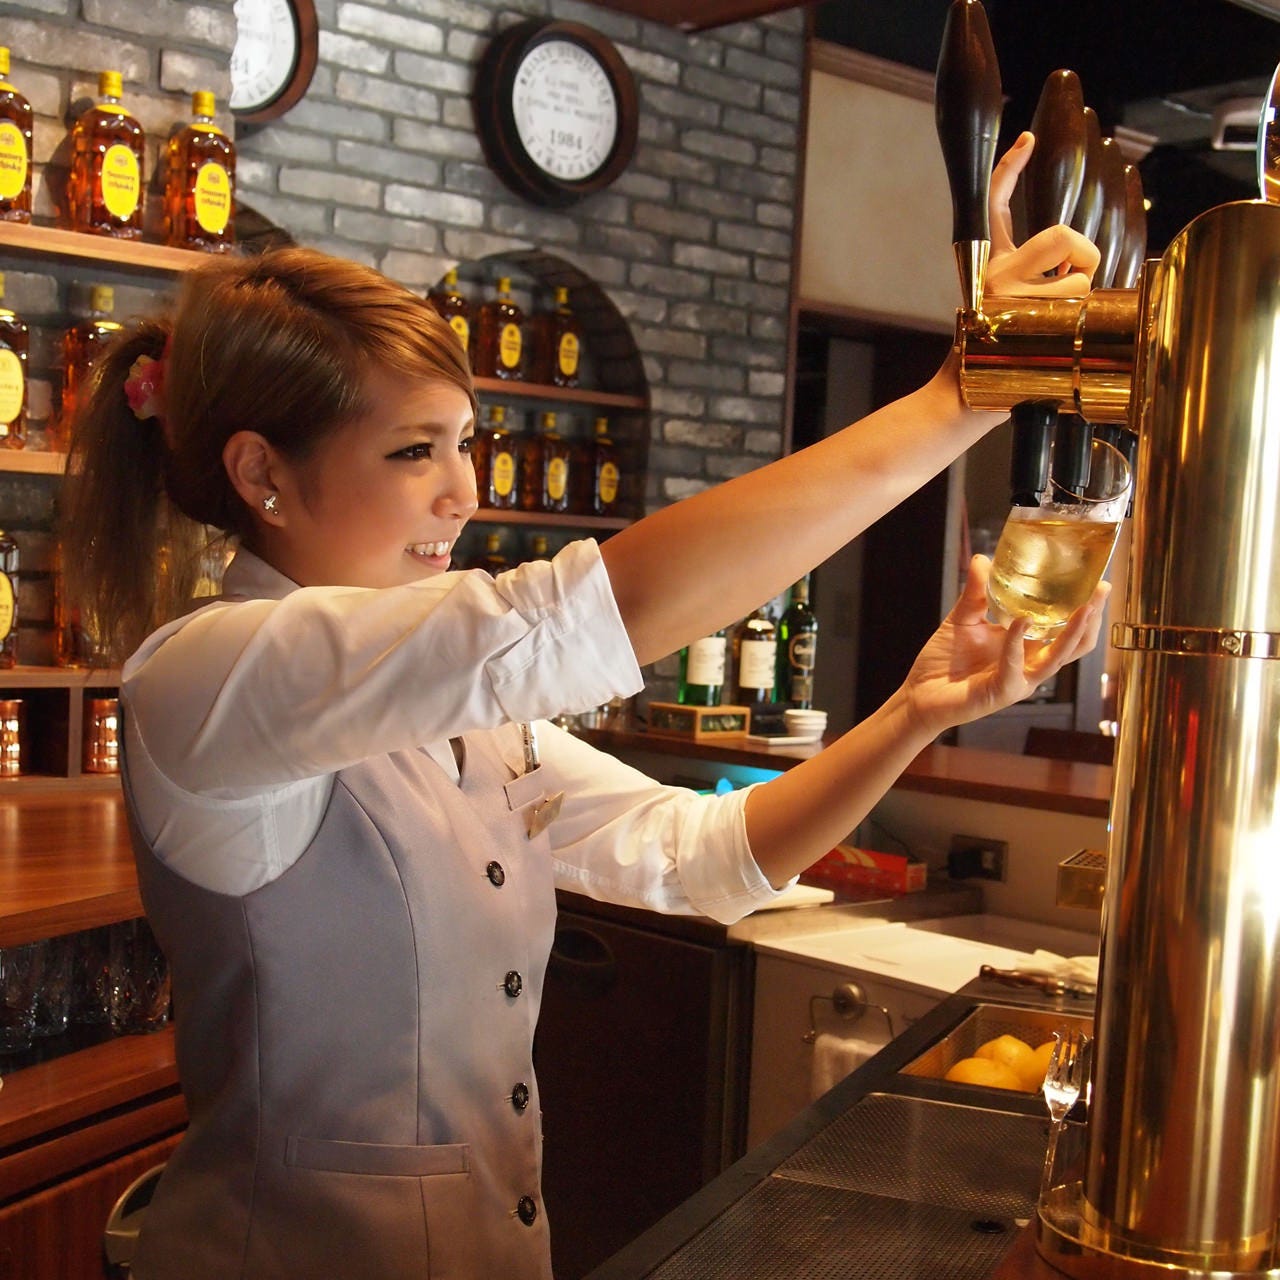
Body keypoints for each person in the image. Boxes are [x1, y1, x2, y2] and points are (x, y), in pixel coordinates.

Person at [61, 132, 1101, 1280]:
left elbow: (699, 855)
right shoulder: (208, 673)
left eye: (466, 443)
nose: (464, 492)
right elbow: (602, 608)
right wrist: (957, 395)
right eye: (413, 451)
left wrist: (911, 712)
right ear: (262, 473)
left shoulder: (461, 713)